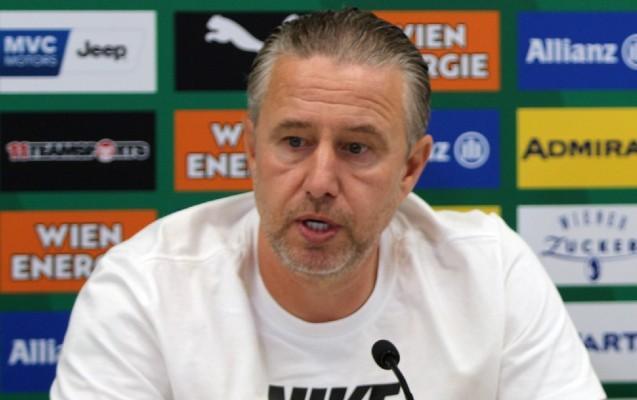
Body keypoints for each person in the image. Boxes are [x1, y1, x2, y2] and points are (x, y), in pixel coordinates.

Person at [51, 9, 606, 400]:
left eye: (356, 148)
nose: (320, 181)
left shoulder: (490, 274)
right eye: (294, 142)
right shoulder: (146, 288)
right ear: (251, 151)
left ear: (410, 169)